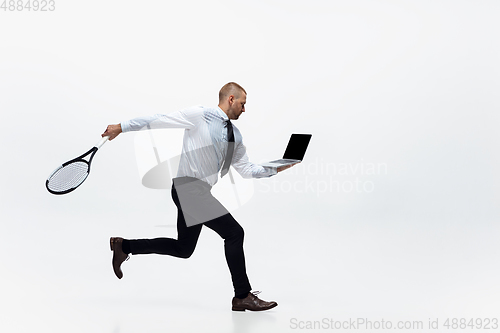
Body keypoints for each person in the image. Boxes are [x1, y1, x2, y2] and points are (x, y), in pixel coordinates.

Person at [102, 82, 298, 311]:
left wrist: (278, 167)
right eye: (243, 104)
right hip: (187, 188)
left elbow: (247, 170)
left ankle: (123, 246)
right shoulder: (200, 115)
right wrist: (120, 127)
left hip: (198, 192)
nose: (244, 110)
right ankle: (242, 295)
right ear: (231, 99)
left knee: (183, 249)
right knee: (234, 233)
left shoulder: (235, 135)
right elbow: (158, 119)